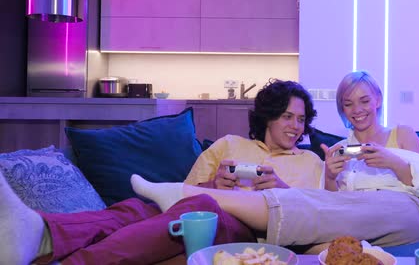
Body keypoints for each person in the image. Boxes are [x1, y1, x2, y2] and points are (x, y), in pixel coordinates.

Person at [0, 79, 324, 265]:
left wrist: (281, 189)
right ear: (268, 117)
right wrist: (215, 183)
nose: (295, 126)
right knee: (141, 207)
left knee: (203, 209)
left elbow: (319, 216)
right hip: (199, 207)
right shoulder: (228, 144)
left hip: (246, 230)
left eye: (300, 119)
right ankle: (38, 231)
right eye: (286, 116)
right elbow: (180, 192)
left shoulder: (310, 162)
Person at [131, 71, 419, 249]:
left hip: (402, 208)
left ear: (379, 99)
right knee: (320, 238)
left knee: (360, 210)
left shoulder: (402, 134)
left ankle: (181, 194)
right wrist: (330, 175)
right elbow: (334, 206)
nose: (358, 109)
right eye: (348, 104)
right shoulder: (337, 150)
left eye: (365, 100)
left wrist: (391, 160)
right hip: (353, 217)